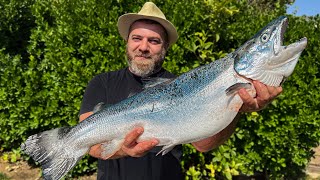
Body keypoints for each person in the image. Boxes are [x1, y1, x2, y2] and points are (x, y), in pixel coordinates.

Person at [79, 2, 283, 180]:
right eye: (137, 38)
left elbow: (203, 145)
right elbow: (88, 144)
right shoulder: (101, 83)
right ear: (127, 42)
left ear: (165, 46)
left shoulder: (183, 86)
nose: (143, 47)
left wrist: (237, 106)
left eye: (154, 41)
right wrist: (121, 149)